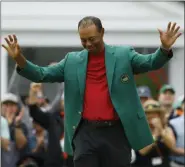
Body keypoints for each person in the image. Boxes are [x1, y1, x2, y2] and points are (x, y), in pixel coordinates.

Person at [2, 16, 181, 167]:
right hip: (85, 132)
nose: (87, 44)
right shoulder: (71, 61)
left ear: (102, 32)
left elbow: (150, 62)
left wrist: (164, 49)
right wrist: (20, 59)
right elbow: (42, 74)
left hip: (116, 132)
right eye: (83, 40)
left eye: (92, 39)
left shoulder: (123, 55)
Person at [132, 99, 175, 167]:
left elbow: (172, 146)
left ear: (160, 115)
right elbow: (142, 151)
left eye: (155, 113)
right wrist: (155, 135)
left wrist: (161, 131)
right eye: (148, 113)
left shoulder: (167, 127)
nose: (151, 115)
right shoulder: (139, 130)